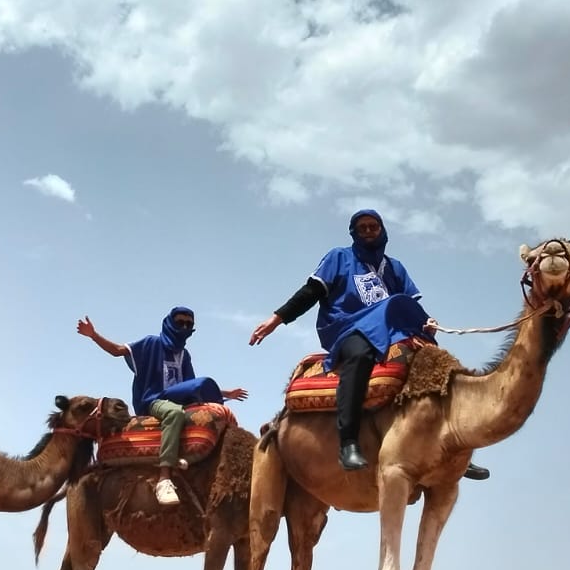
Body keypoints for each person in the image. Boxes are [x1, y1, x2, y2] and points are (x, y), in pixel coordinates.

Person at [249, 209, 489, 478]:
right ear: (353, 233)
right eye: (361, 228)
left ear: (382, 230)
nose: (367, 232)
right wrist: (276, 319)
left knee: (433, 360)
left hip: (388, 328)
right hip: (346, 326)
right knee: (360, 356)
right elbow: (311, 293)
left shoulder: (394, 267)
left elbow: (408, 303)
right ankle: (348, 442)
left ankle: (456, 448)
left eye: (372, 227)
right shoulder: (339, 257)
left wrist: (427, 320)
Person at [77, 307, 248, 507]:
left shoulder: (184, 355)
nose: (184, 327)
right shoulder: (152, 343)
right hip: (154, 400)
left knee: (209, 412)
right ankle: (164, 477)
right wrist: (93, 335)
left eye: (188, 324)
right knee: (174, 414)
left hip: (177, 399)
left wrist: (225, 394)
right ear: (169, 322)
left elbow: (189, 384)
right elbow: (117, 351)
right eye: (180, 322)